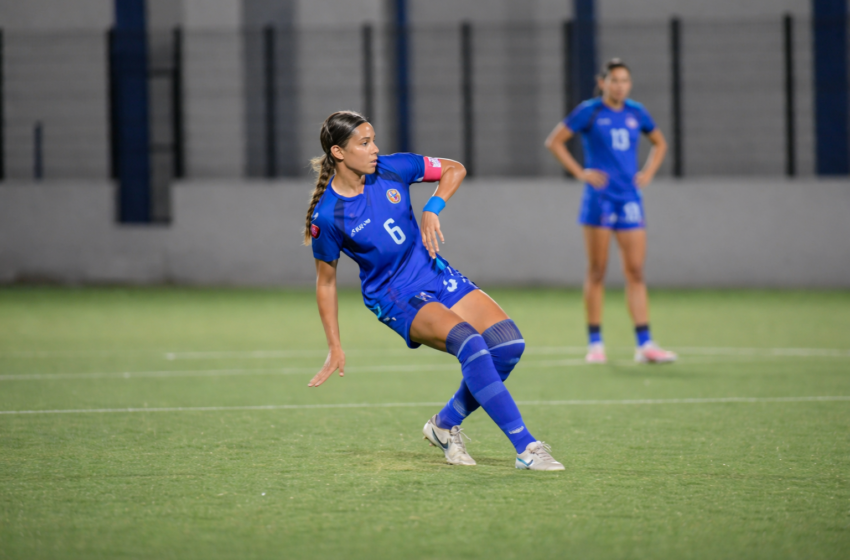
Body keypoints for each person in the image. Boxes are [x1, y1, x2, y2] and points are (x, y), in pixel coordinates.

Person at [305, 110, 563, 470]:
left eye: (373, 139)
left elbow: (454, 168)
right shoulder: (328, 216)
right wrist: (334, 345)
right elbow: (326, 282)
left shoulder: (394, 168)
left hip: (436, 275)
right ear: (338, 153)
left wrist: (433, 205)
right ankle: (526, 448)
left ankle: (443, 425)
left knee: (507, 345)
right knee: (470, 343)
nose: (375, 148)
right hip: (395, 296)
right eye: (364, 143)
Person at [545, 58, 677, 364]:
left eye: (625, 80)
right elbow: (555, 141)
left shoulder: (636, 111)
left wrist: (647, 173)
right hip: (600, 199)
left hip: (629, 198)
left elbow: (660, 143)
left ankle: (645, 344)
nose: (620, 86)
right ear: (602, 82)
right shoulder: (590, 111)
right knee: (597, 270)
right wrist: (581, 173)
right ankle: (595, 344)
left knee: (635, 270)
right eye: (614, 80)